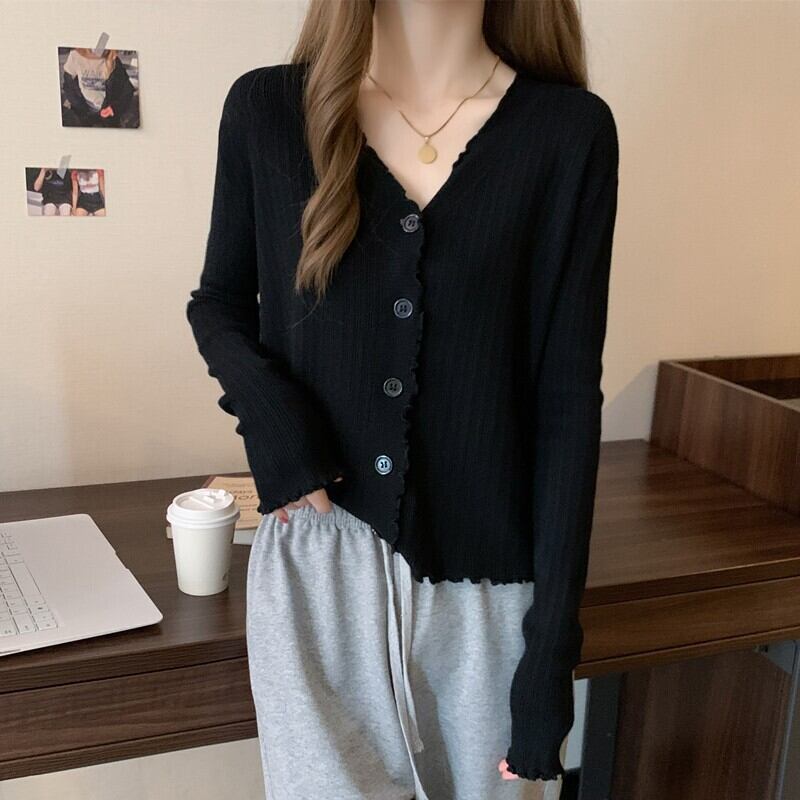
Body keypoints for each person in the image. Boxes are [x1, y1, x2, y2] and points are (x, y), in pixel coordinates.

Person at [186, 1, 619, 798]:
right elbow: (219, 303)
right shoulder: (268, 111)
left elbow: (566, 401)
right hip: (317, 569)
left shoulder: (568, 133)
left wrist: (552, 651)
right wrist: (274, 424)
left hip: (491, 589)